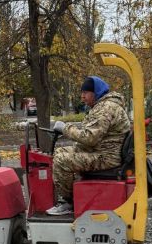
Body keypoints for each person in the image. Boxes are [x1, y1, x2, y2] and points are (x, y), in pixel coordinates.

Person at [47, 75, 130, 216]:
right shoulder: (102, 106)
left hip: (106, 157)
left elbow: (90, 137)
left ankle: (71, 202)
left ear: (95, 92)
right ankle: (75, 195)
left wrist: (65, 128)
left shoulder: (105, 108)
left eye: (85, 93)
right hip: (101, 151)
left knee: (61, 161)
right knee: (60, 152)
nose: (82, 97)